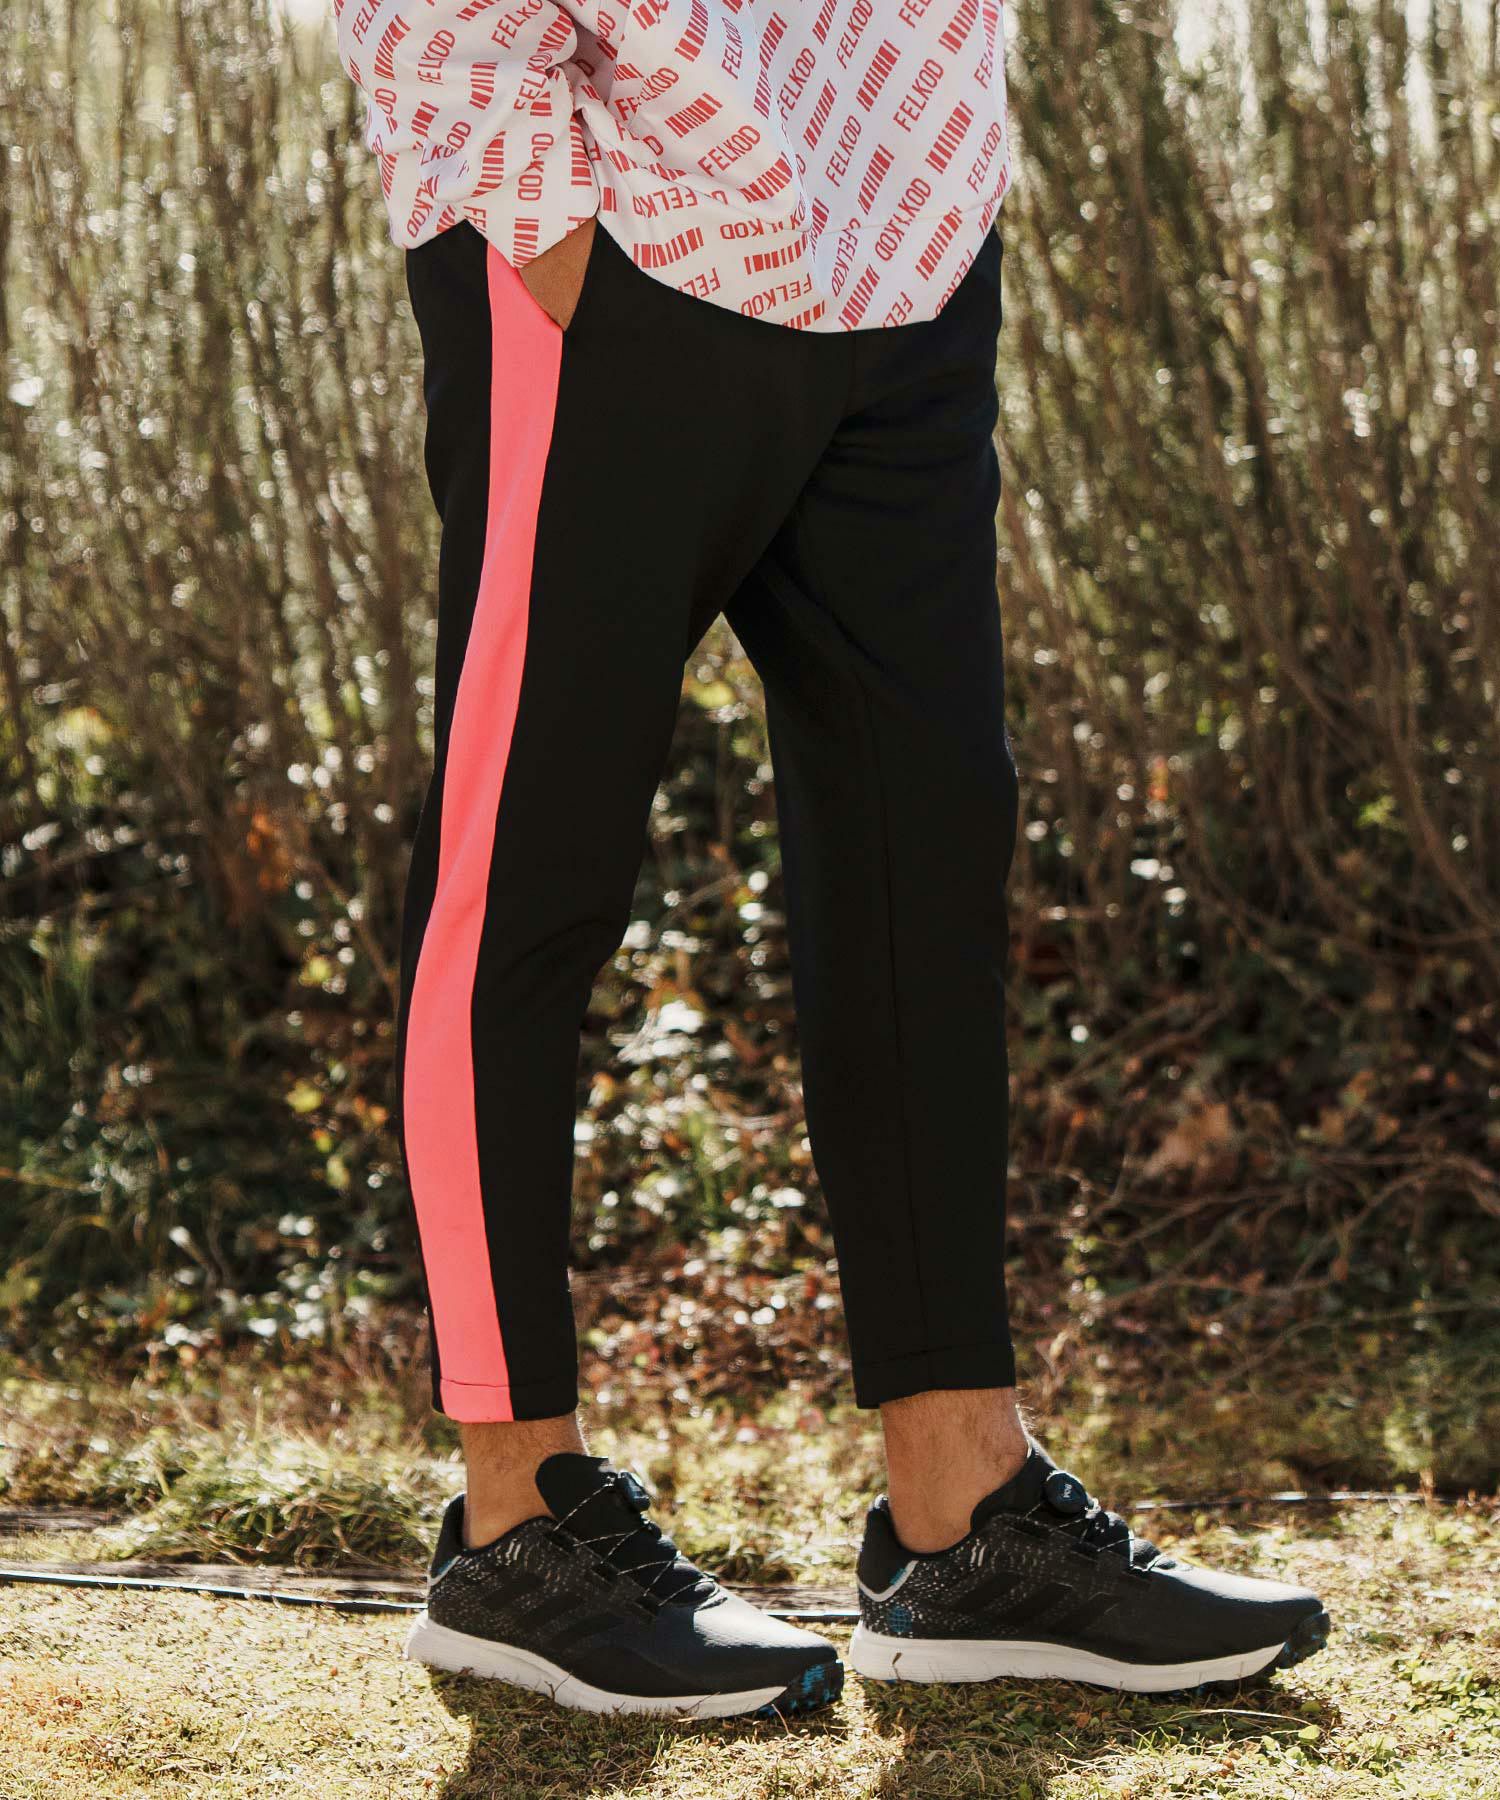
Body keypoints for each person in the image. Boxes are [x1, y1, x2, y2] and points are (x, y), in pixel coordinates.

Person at [332, 0, 1329, 1718]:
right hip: (619, 225)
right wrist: (536, 203)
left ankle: (965, 1518)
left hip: (903, 229)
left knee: (923, 865)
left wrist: (953, 167)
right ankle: (515, 1533)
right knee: (525, 872)